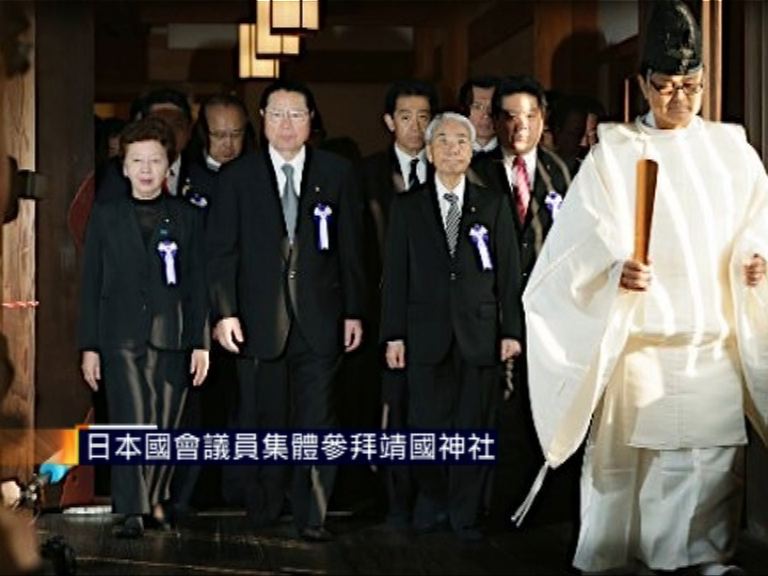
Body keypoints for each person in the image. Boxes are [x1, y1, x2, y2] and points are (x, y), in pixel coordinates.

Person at [519, 2, 768, 573]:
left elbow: (758, 224)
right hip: (644, 345)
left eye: (691, 86)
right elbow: (574, 249)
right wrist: (613, 274)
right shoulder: (614, 155)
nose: (678, 98)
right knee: (637, 470)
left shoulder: (733, 151)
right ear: (642, 84)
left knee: (710, 467)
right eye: (665, 86)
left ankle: (702, 561)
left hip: (713, 344)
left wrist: (756, 263)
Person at [207, 79, 365, 542]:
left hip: (321, 318)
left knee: (318, 418)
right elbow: (222, 253)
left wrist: (354, 312)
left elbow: (352, 251)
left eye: (296, 114)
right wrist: (224, 312)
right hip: (258, 321)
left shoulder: (337, 173)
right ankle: (265, 506)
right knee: (263, 418)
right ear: (262, 119)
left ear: (312, 119)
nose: (286, 124)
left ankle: (311, 513)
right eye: (276, 114)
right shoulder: (238, 176)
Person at [380, 112, 522, 540]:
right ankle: (432, 500)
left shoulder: (493, 205)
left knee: (473, 427)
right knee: (425, 424)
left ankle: (465, 512)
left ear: (472, 150)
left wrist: (511, 331)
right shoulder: (407, 207)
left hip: (479, 335)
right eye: (443, 141)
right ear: (428, 150)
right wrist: (394, 335)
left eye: (462, 141)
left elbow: (509, 276)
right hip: (425, 335)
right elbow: (395, 276)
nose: (453, 149)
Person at [79, 116, 210, 539]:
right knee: (131, 420)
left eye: (155, 160)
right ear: (124, 166)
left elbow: (197, 284)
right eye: (138, 160)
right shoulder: (106, 215)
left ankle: (155, 501)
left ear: (168, 164)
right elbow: (91, 283)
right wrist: (90, 345)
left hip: (173, 334)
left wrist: (201, 343)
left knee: (165, 424)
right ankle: (131, 509)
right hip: (119, 335)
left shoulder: (187, 216)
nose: (147, 169)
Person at [471, 75, 573, 527]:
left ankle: (547, 508)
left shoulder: (564, 171)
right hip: (492, 312)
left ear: (543, 119)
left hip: (551, 317)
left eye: (530, 117)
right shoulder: (475, 171)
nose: (519, 127)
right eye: (509, 117)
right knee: (498, 409)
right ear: (495, 121)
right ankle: (496, 507)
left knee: (548, 407)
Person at [170, 93, 254, 518]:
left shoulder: (257, 173)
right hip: (194, 307)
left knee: (247, 403)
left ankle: (239, 488)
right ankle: (190, 492)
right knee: (195, 403)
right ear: (204, 132)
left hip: (247, 308)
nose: (227, 144)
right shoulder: (186, 176)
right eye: (218, 134)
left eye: (236, 134)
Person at [361, 79, 438, 526]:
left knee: (431, 410)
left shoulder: (452, 165)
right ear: (390, 121)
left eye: (424, 117)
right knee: (389, 409)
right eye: (405, 117)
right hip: (383, 310)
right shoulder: (366, 174)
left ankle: (429, 499)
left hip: (436, 316)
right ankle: (393, 500)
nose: (415, 127)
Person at [457, 76, 499, 157]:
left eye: (492, 107)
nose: (486, 115)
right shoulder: (450, 150)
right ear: (464, 110)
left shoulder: (513, 151)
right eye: (477, 107)